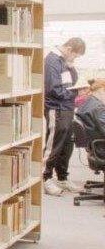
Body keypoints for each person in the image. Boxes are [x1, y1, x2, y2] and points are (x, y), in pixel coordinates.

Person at [44, 37, 86, 195]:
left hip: (67, 108)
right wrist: (75, 93)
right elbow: (53, 89)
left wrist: (71, 66)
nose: (75, 58)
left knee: (67, 144)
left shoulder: (63, 62)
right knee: (53, 145)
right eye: (75, 55)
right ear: (68, 49)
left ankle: (62, 177)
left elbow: (70, 82)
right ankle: (45, 178)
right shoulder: (52, 61)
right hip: (56, 109)